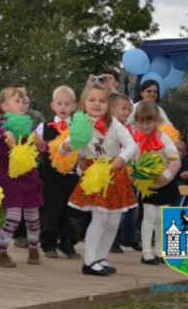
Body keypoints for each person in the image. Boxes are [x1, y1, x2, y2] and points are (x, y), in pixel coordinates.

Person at [59, 82, 138, 276]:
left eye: (102, 100)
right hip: (95, 176)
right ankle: (89, 261)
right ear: (84, 103)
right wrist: (69, 146)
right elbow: (63, 147)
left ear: (108, 106)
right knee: (100, 218)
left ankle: (101, 258)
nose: (97, 103)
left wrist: (121, 158)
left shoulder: (115, 125)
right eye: (92, 100)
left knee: (113, 221)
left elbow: (132, 145)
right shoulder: (80, 125)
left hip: (115, 174)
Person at [0, 86, 45, 267]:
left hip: (30, 178)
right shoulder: (0, 124)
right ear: (4, 106)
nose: (22, 103)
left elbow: (45, 148)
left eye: (23, 100)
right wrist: (5, 132)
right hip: (10, 179)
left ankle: (34, 249)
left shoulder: (30, 125)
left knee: (33, 217)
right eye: (16, 101)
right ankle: (1, 253)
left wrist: (41, 143)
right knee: (13, 216)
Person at [132, 101, 180, 265]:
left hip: (165, 183)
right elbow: (130, 160)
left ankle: (160, 250)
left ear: (157, 121)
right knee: (149, 216)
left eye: (149, 121)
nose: (145, 126)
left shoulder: (164, 138)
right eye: (141, 121)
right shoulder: (135, 139)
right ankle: (146, 252)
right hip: (147, 186)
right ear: (136, 121)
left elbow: (175, 160)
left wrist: (165, 175)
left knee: (162, 218)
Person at [38, 86, 82, 259]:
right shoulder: (43, 127)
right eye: (59, 103)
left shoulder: (78, 127)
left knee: (71, 210)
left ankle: (67, 242)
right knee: (51, 209)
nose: (63, 107)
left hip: (71, 175)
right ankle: (48, 243)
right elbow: (37, 147)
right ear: (52, 105)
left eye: (67, 104)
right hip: (50, 176)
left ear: (74, 106)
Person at [109, 93, 141, 254]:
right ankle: (113, 241)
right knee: (114, 208)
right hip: (112, 171)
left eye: (129, 109)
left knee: (129, 207)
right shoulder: (109, 127)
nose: (127, 112)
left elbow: (133, 149)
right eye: (124, 108)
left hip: (128, 171)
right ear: (112, 109)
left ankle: (126, 236)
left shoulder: (128, 128)